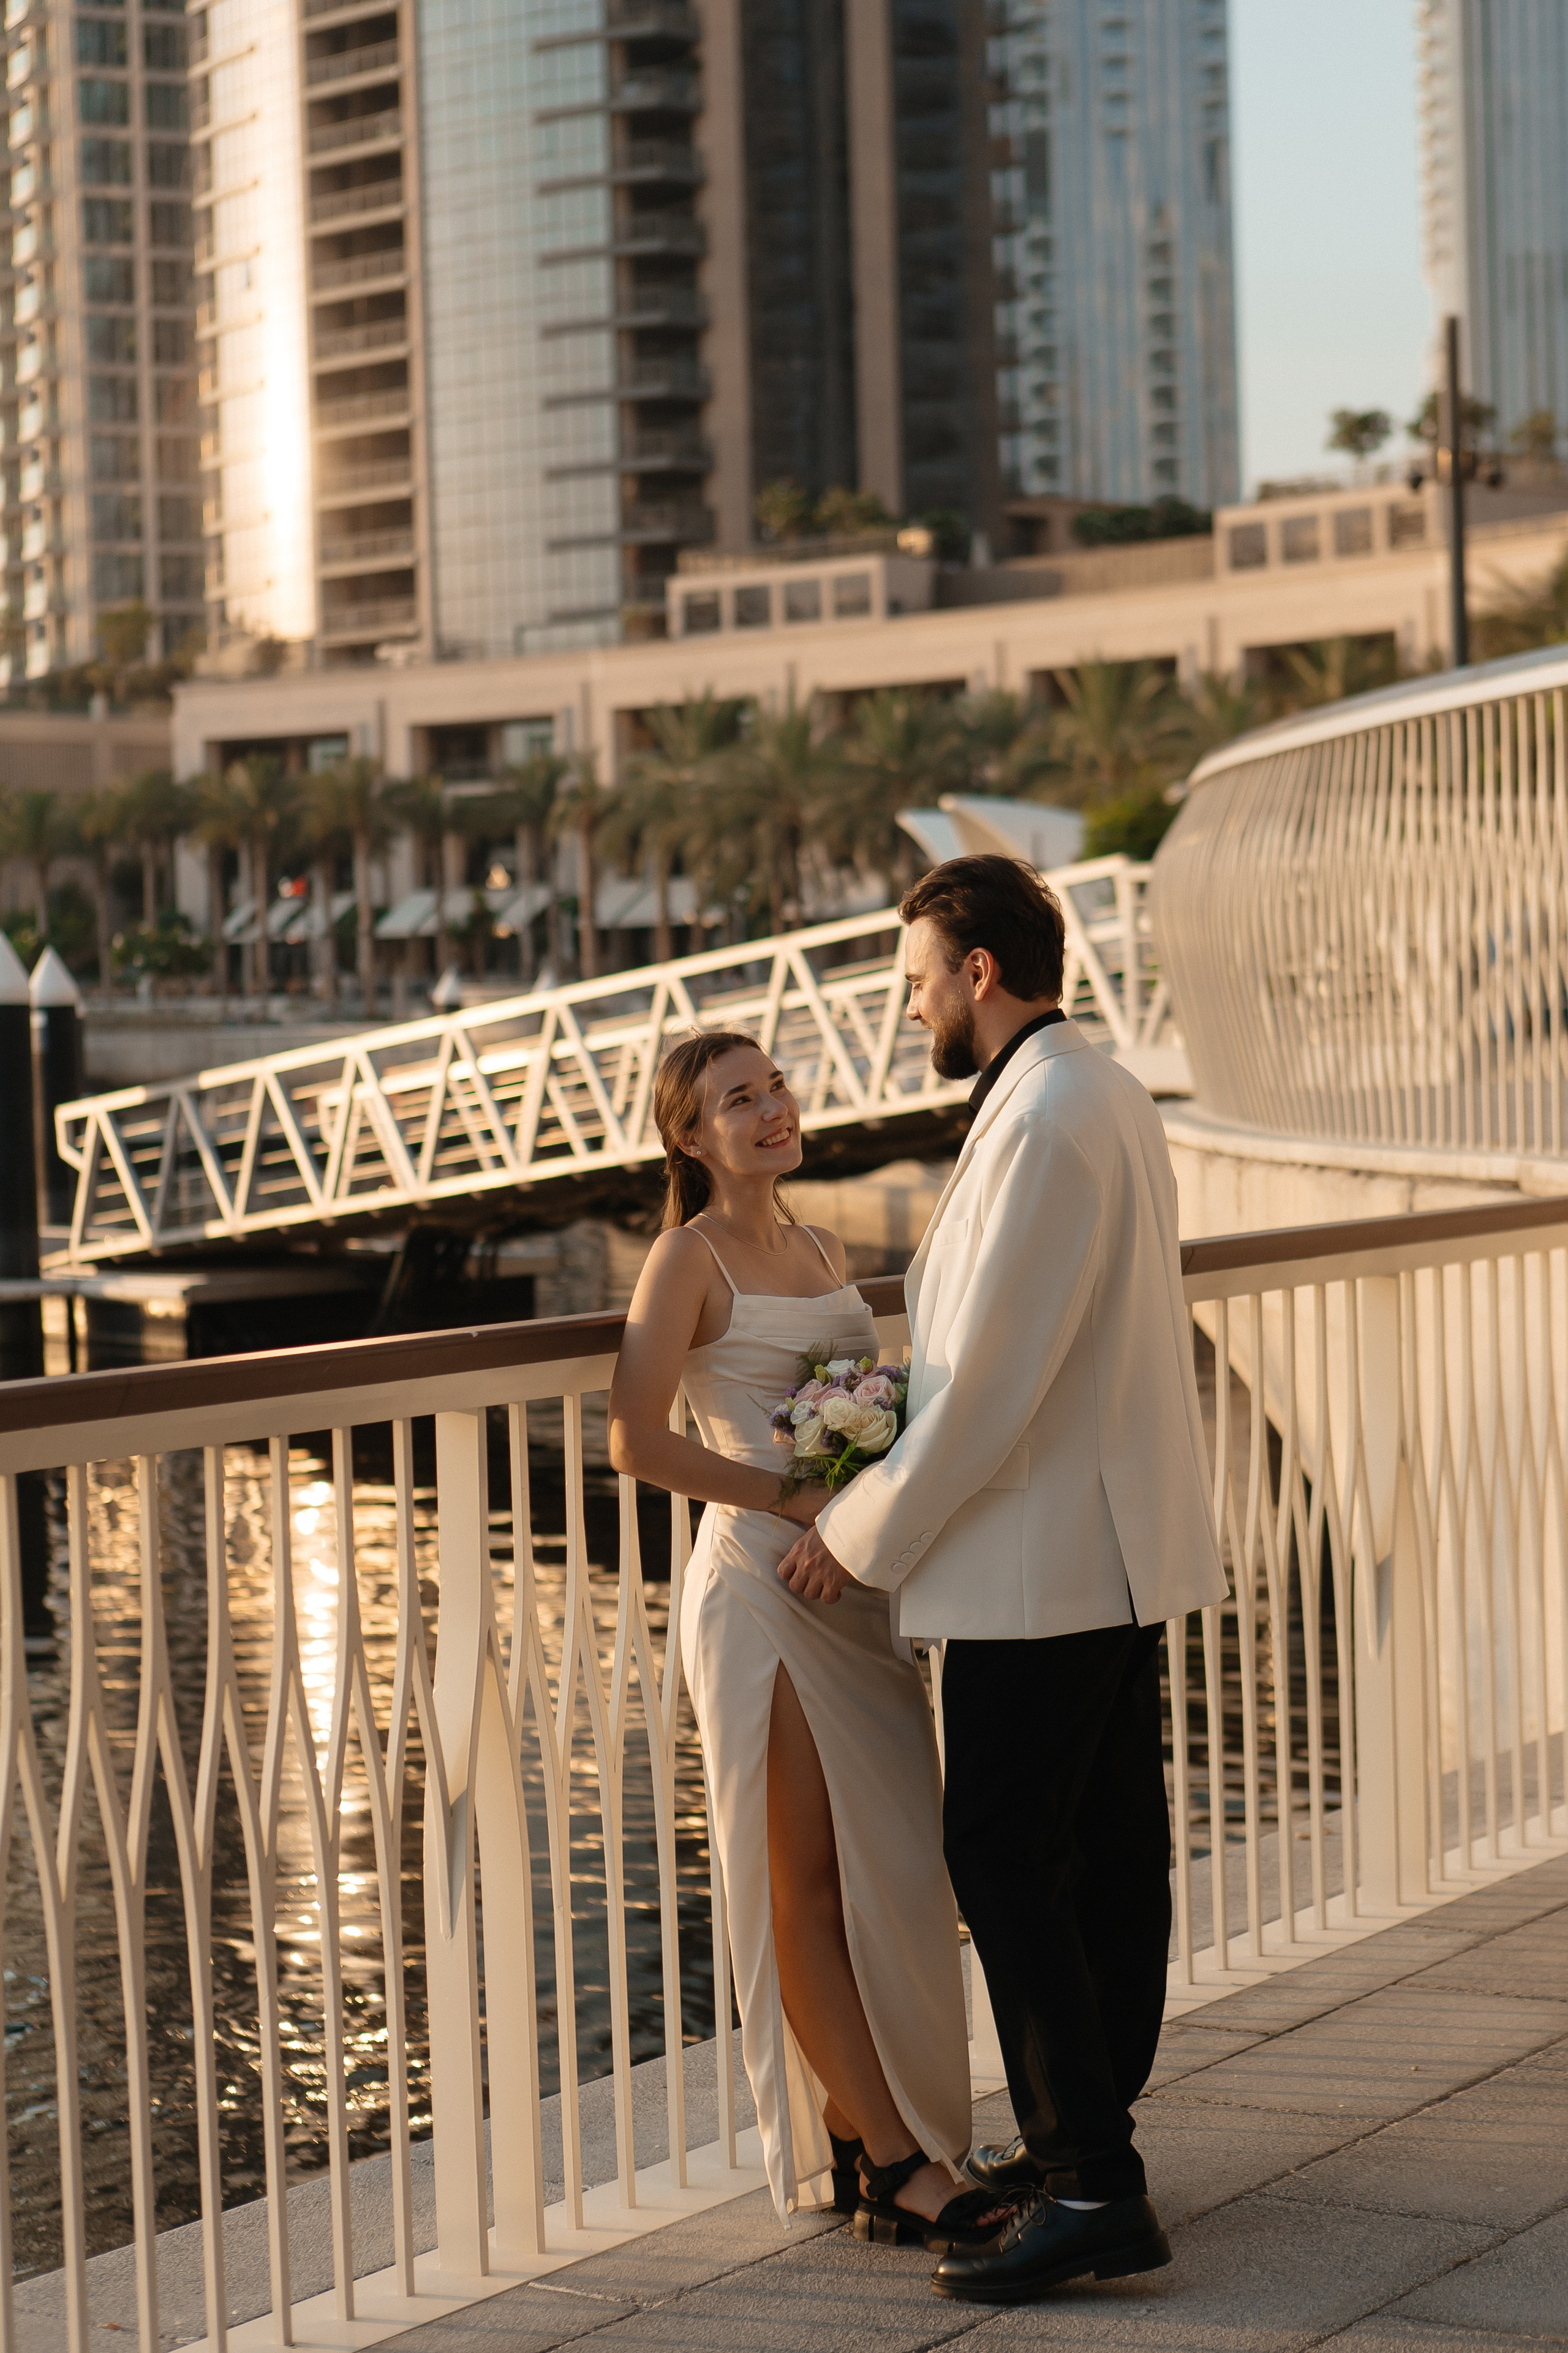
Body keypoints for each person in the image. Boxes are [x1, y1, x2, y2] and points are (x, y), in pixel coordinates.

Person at [778, 854, 1228, 2306]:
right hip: (1096, 1538)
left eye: (917, 977)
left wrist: (853, 1534)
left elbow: (987, 1389)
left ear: (979, 970)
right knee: (1100, 1853)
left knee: (1004, 1854)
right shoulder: (1089, 1093)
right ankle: (1081, 2143)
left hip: (1046, 1551)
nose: (910, 1003)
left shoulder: (1042, 1114)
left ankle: (1093, 2181)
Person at [606, 1029, 1009, 2252]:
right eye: (739, 1099)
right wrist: (784, 1494)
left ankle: (864, 2120)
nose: (773, 1108)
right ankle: (894, 2163)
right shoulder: (687, 1257)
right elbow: (632, 1437)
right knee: (805, 1884)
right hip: (763, 1598)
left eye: (775, 1086)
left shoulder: (826, 1246)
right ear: (691, 1136)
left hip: (855, 1593)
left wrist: (870, 1480)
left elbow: (867, 1412)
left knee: (898, 1869)